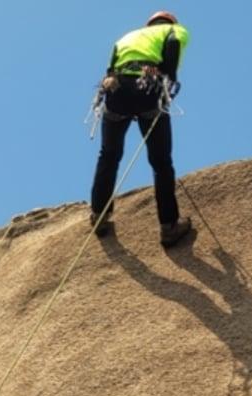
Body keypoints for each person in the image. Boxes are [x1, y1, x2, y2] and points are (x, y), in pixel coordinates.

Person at [90, 10, 192, 247]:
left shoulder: (126, 38)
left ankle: (99, 216)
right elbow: (174, 43)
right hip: (148, 89)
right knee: (161, 162)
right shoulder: (174, 30)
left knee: (109, 155)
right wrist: (168, 77)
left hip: (117, 90)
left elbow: (110, 69)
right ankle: (169, 226)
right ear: (169, 22)